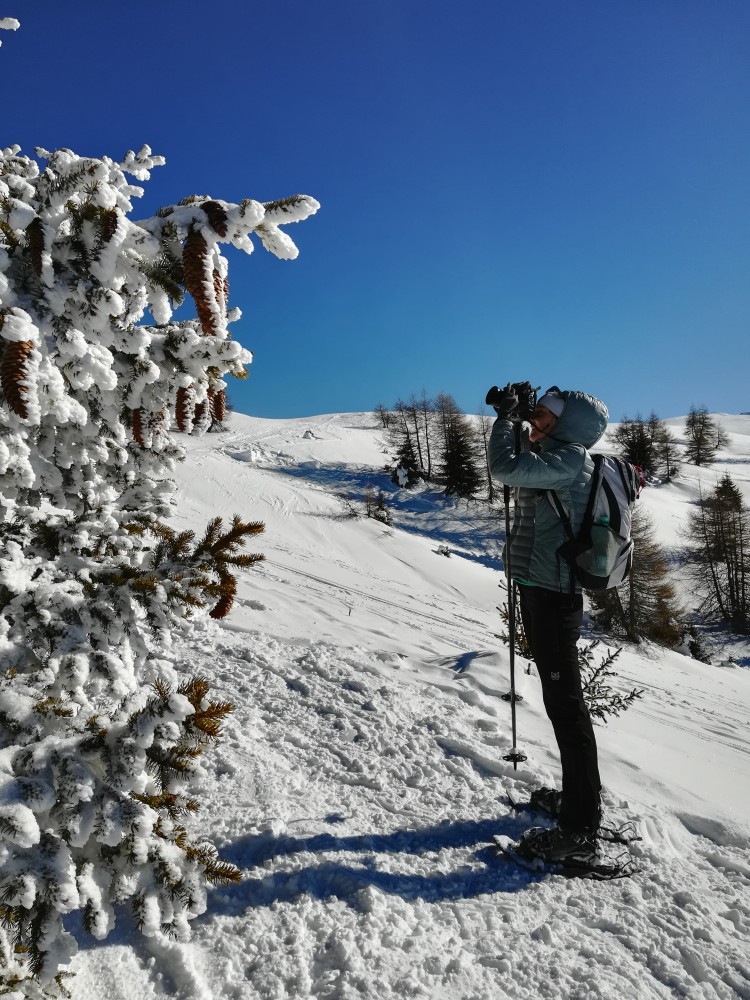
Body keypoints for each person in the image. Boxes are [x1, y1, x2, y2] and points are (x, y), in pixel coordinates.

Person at [486, 382, 609, 864]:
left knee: (567, 709)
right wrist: (513, 419)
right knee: (562, 705)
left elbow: (504, 468)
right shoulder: (555, 458)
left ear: (569, 425)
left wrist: (505, 423)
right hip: (541, 590)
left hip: (556, 598)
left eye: (543, 415)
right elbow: (518, 466)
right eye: (535, 413)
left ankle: (580, 828)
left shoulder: (570, 460)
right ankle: (577, 803)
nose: (536, 419)